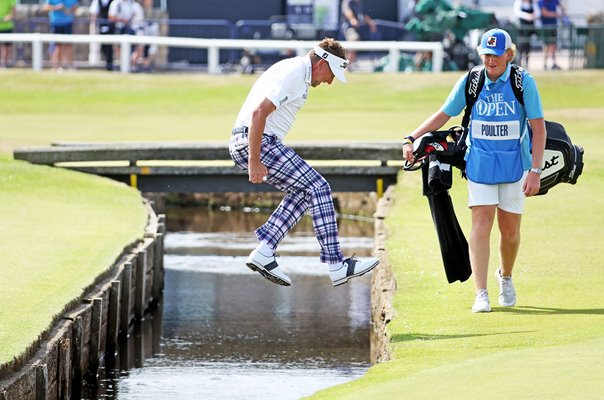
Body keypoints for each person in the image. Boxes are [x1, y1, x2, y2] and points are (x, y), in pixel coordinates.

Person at [402, 28, 546, 313]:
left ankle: (505, 276)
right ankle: (481, 293)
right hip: (479, 164)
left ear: (508, 54)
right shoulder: (472, 80)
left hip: (515, 166)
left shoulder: (523, 82)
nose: (490, 60)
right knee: (481, 225)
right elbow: (444, 114)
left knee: (510, 233)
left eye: (496, 55)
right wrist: (412, 136)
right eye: (486, 54)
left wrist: (536, 170)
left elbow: (538, 128)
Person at [229, 37, 380, 287]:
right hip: (256, 141)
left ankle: (264, 252)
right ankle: (337, 265)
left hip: (256, 141)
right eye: (331, 74)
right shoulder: (295, 73)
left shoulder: (297, 70)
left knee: (304, 191)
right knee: (319, 187)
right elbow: (258, 114)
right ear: (321, 63)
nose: (330, 82)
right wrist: (254, 161)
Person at [44, 0, 78, 70]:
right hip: (55, 23)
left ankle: (70, 65)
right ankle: (57, 66)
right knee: (57, 46)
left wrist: (69, 10)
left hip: (67, 23)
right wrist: (56, 7)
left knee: (69, 45)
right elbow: (45, 7)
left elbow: (75, 8)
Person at [340, 0, 376, 66]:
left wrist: (371, 23)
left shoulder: (359, 4)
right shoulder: (348, 2)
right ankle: (347, 65)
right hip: (348, 28)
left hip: (356, 29)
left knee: (355, 43)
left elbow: (363, 15)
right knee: (354, 39)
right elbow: (347, 11)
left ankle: (350, 63)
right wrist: (352, 19)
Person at [538, 0, 566, 70]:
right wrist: (556, 14)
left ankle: (553, 63)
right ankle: (545, 63)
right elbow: (544, 13)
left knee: (553, 45)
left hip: (554, 26)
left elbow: (563, 7)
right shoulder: (541, 1)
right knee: (546, 46)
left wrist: (563, 13)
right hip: (545, 27)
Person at [89, 0, 114, 71]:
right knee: (103, 46)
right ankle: (108, 63)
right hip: (101, 26)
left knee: (109, 46)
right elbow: (94, 14)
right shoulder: (97, 1)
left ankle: (109, 65)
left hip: (111, 27)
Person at [514, 0, 538, 68]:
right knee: (521, 46)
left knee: (528, 46)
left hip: (530, 28)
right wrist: (527, 16)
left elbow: (538, 13)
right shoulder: (519, 2)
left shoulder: (532, 3)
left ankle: (527, 63)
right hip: (521, 29)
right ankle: (519, 62)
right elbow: (517, 12)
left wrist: (533, 15)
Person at [0, 0, 16, 68]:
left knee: (7, 47)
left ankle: (5, 64)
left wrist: (7, 18)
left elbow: (13, 13)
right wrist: (2, 19)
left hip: (7, 27)